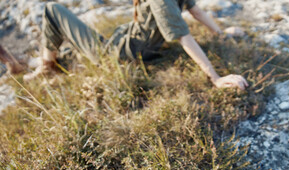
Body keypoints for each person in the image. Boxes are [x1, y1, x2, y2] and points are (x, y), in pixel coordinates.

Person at [11, 0, 249, 89]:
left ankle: (45, 68)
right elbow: (194, 10)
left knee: (53, 10)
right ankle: (39, 65)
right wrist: (221, 33)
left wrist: (215, 78)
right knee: (71, 50)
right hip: (121, 42)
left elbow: (184, 35)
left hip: (117, 53)